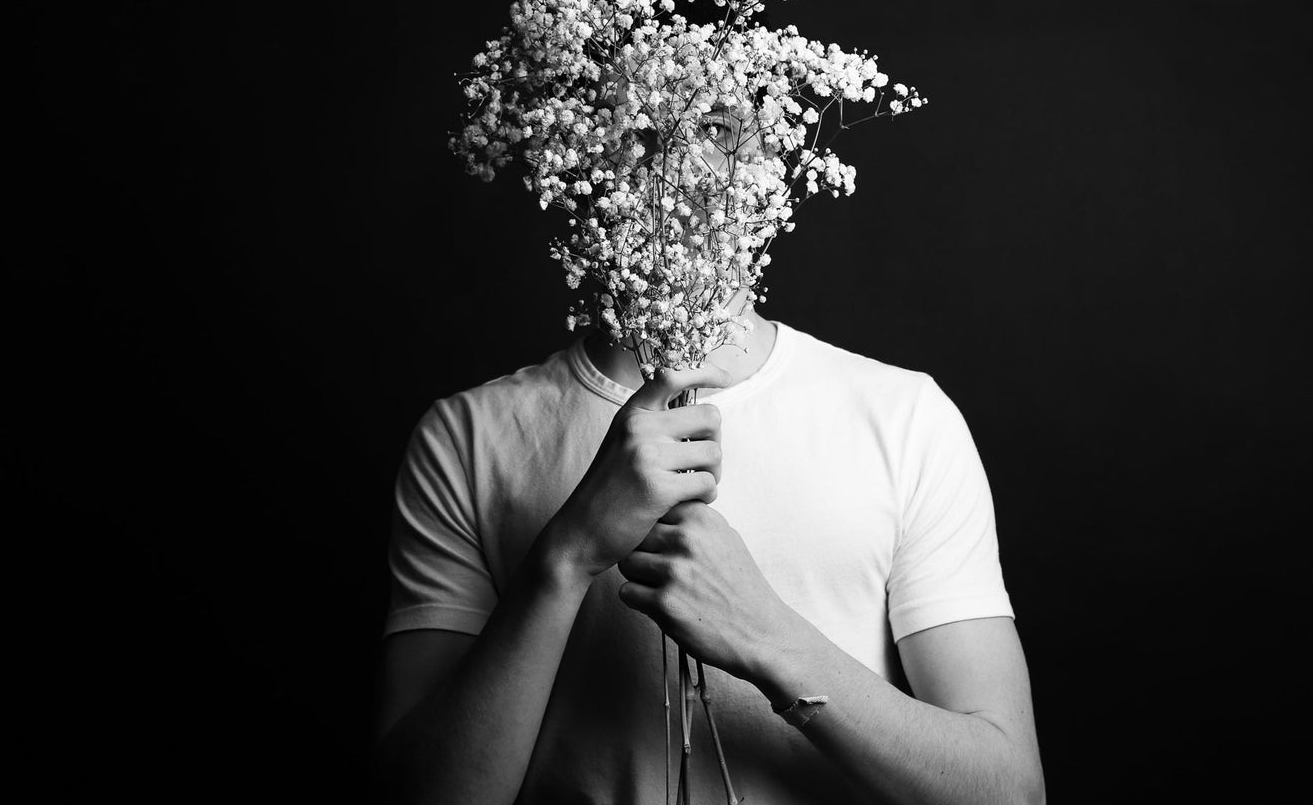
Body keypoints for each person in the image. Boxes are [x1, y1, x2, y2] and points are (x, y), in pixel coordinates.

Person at [373, 285, 1046, 804]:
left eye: (721, 125)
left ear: (773, 149)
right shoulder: (468, 435)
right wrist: (566, 555)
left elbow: (1007, 789)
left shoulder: (903, 417)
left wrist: (768, 638)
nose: (681, 154)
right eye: (634, 122)